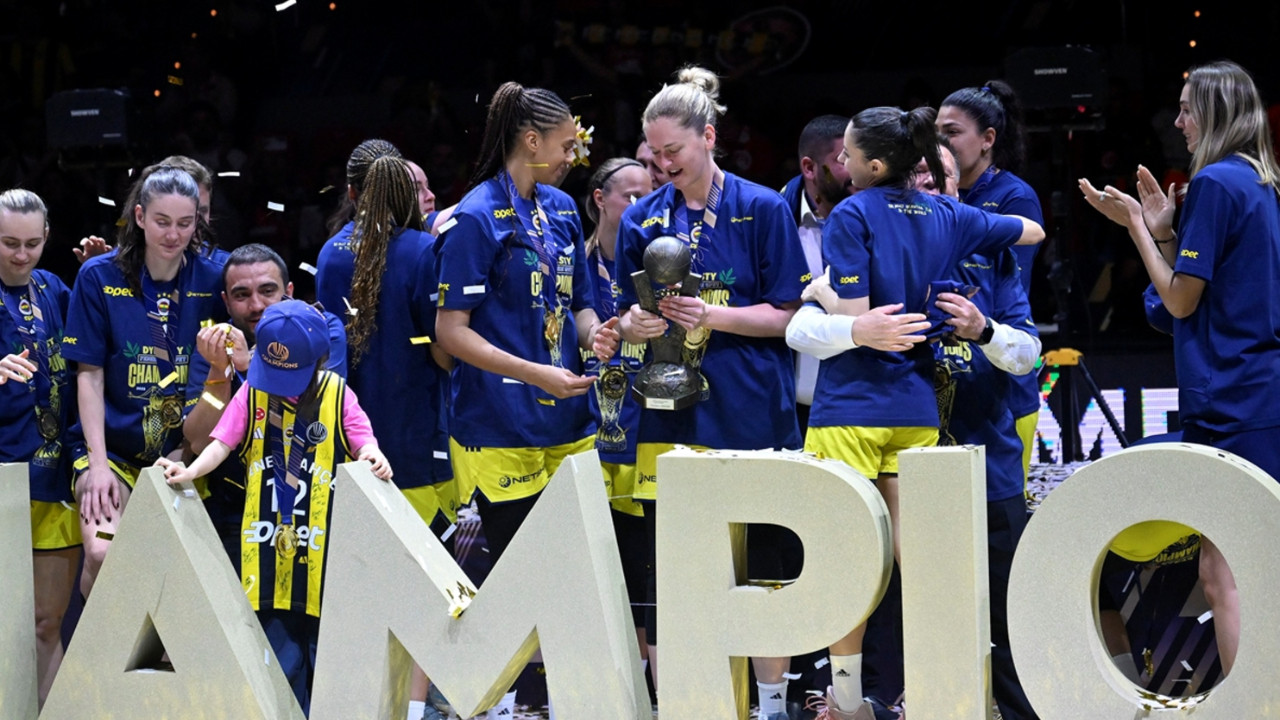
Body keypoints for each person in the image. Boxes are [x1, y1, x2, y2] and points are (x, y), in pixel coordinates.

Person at [787, 106, 1043, 718]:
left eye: (848, 153)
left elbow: (859, 318)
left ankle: (847, 700)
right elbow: (1031, 231)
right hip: (917, 410)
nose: (840, 161)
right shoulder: (949, 216)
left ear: (875, 165)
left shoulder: (852, 213)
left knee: (844, 561)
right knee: (923, 566)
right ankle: (943, 694)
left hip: (851, 408)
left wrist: (824, 296)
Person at [614, 65, 809, 720]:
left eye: (673, 150)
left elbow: (787, 317)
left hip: (752, 409)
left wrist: (712, 316)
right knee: (677, 570)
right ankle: (687, 705)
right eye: (653, 153)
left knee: (762, 562)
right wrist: (635, 325)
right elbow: (622, 315)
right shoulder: (641, 218)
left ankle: (773, 706)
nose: (662, 164)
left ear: (709, 136)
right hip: (671, 418)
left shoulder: (763, 208)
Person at [1080, 59, 1280, 677]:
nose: (1178, 120)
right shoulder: (1256, 180)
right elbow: (1197, 308)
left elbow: (1179, 301)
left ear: (1214, 112)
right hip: (1251, 397)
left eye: (1188, 108)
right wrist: (1167, 236)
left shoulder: (1216, 183)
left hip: (1235, 404)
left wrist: (1138, 229)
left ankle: (1251, 709)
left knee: (1226, 575)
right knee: (1234, 569)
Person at [434, 81, 618, 719]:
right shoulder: (476, 217)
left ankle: (563, 699)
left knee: (573, 566)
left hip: (569, 415)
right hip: (499, 422)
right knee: (520, 570)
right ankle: (511, 700)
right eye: (566, 145)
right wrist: (536, 373)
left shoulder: (563, 209)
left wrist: (595, 336)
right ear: (531, 141)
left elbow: (581, 303)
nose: (573, 156)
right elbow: (450, 332)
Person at [156, 300, 390, 715]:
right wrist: (190, 471)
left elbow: (362, 439)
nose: (280, 384)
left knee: (330, 673)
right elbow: (221, 443)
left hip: (326, 564)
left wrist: (373, 455)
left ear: (319, 361)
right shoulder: (252, 390)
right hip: (265, 561)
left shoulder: (339, 394)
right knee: (278, 670)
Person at [315, 140, 455, 720]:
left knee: (367, 587)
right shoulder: (425, 250)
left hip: (353, 443)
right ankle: (415, 711)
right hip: (419, 439)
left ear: (352, 192)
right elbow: (444, 351)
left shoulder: (330, 255)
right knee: (424, 587)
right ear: (404, 191)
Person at [62, 166, 228, 600]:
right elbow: (89, 376)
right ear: (139, 217)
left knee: (171, 574)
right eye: (162, 221)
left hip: (180, 453)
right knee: (102, 552)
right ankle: (101, 637)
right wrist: (98, 466)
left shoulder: (213, 279)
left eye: (185, 223)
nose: (173, 235)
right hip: (112, 450)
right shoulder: (98, 276)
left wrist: (187, 450)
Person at [183, 243, 346, 567]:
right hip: (237, 509)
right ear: (226, 302)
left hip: (314, 508)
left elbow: (317, 404)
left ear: (289, 291)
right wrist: (220, 372)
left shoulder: (322, 328)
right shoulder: (215, 345)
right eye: (242, 295)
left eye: (267, 291)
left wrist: (248, 366)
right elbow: (200, 441)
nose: (256, 305)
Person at [937, 80, 1045, 483]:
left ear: (987, 140)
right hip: (950, 382)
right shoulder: (931, 195)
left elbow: (1009, 288)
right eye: (936, 133)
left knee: (1003, 503)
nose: (941, 143)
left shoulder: (1015, 197)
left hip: (1004, 382)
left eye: (952, 132)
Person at [0, 189, 78, 707]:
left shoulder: (55, 289)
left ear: (47, 237)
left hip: (53, 480)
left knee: (47, 622)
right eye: (9, 243)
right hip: (2, 482)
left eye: (32, 243)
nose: (22, 254)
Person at [581, 156, 655, 681]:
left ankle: (649, 687)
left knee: (643, 564)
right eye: (630, 195)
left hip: (642, 434)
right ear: (599, 200)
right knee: (600, 570)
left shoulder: (659, 264)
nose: (641, 205)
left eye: (648, 195)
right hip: (586, 435)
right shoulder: (572, 261)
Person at [779, 114, 855, 430]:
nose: (856, 168)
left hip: (863, 401)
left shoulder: (879, 215)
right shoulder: (774, 218)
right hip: (791, 406)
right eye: (843, 159)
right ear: (810, 168)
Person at [74, 155, 215, 264]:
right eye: (163, 220)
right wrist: (102, 273)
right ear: (141, 216)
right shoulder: (113, 266)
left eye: (201, 212)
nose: (195, 223)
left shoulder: (221, 269)